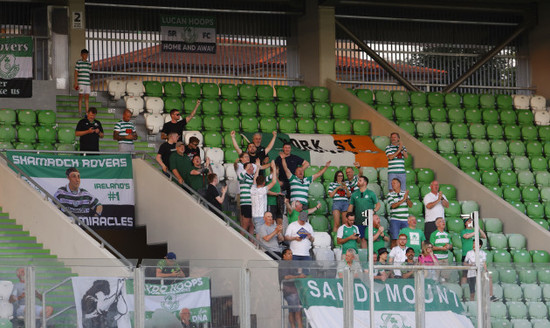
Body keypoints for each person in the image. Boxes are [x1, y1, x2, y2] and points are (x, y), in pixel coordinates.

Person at [347, 176, 381, 248]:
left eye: (360, 180)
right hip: (359, 220)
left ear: (365, 183)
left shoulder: (371, 193)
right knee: (362, 238)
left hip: (370, 221)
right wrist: (348, 216)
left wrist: (374, 211)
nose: (358, 182)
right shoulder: (354, 194)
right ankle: (365, 257)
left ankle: (372, 256)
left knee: (371, 238)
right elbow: (351, 206)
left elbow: (378, 204)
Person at [278, 249, 306, 328]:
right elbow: (285, 277)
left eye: (291, 254)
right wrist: (298, 276)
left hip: (295, 290)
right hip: (288, 291)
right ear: (284, 256)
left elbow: (296, 274)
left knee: (293, 311)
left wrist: (300, 274)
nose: (291, 255)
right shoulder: (283, 264)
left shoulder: (292, 264)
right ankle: (298, 326)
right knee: (297, 311)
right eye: (289, 254)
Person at [251, 161, 278, 232]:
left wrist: (257, 168)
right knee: (260, 235)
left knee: (259, 233)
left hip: (254, 216)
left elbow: (254, 179)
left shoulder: (252, 189)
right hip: (261, 216)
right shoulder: (262, 190)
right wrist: (274, 169)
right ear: (264, 183)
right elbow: (274, 182)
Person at [460, 216, 487, 285]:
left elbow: (484, 236)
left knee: (477, 273)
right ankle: (463, 288)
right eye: (468, 221)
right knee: (465, 274)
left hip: (475, 255)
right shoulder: (463, 231)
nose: (470, 222)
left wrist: (479, 229)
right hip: (466, 254)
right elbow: (466, 236)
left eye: (471, 221)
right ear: (465, 223)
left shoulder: (474, 231)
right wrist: (476, 231)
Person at [387, 178, 412, 247]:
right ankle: (393, 255)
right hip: (395, 219)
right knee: (395, 238)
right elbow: (393, 206)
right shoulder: (390, 194)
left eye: (394, 183)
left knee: (406, 238)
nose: (392, 185)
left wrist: (406, 199)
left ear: (399, 184)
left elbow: (410, 205)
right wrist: (403, 199)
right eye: (392, 183)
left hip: (405, 219)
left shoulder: (405, 193)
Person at [430, 217, 452, 281]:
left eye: (444, 221)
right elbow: (431, 247)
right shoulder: (434, 234)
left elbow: (451, 245)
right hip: (437, 259)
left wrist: (448, 246)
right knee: (436, 278)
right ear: (437, 224)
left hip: (445, 259)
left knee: (445, 278)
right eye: (441, 221)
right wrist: (441, 248)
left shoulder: (447, 234)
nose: (443, 222)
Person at [238, 162, 256, 236]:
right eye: (251, 166)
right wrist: (246, 169)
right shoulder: (244, 176)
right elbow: (239, 177)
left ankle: (251, 242)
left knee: (252, 224)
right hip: (246, 203)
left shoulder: (253, 177)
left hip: (252, 203)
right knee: (245, 224)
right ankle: (240, 241)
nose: (253, 168)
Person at [74, 48, 91, 117]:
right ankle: (80, 112)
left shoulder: (89, 63)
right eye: (84, 54)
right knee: (80, 97)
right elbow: (75, 73)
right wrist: (76, 83)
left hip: (87, 83)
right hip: (81, 83)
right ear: (81, 55)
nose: (85, 56)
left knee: (87, 98)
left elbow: (89, 73)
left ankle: (87, 113)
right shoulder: (78, 62)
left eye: (87, 54)